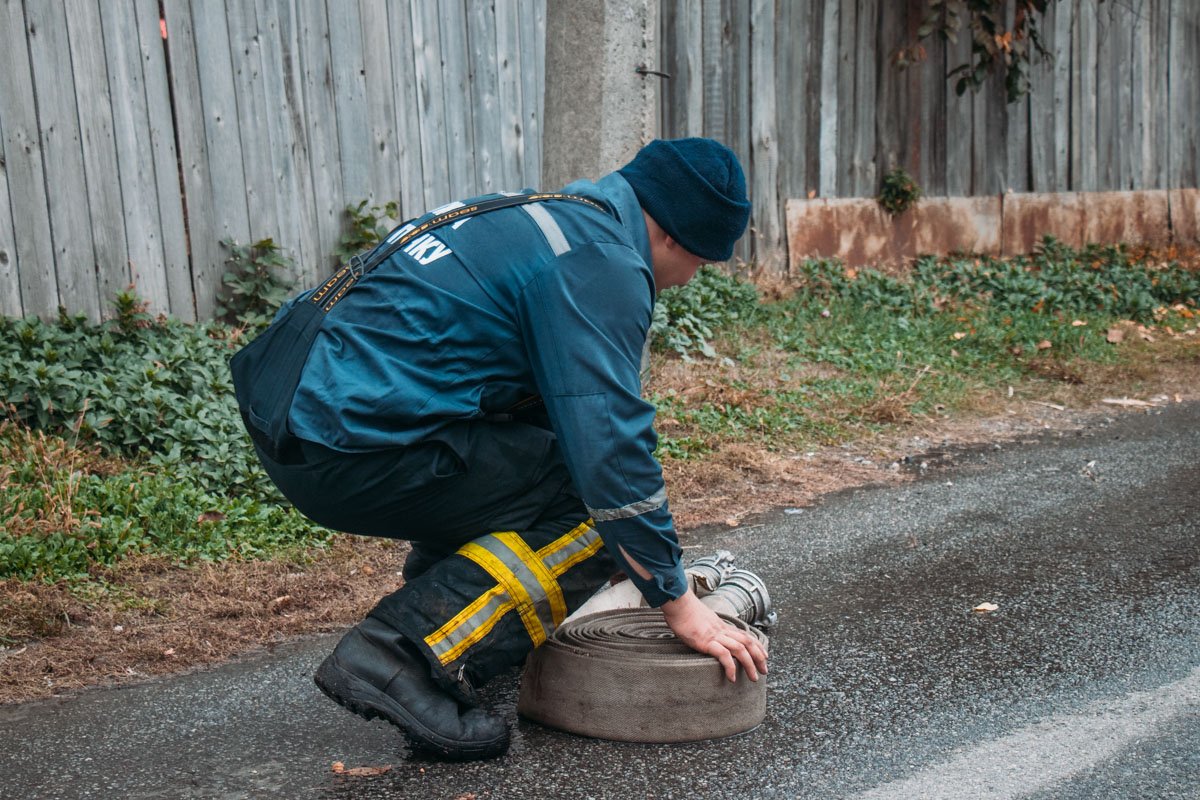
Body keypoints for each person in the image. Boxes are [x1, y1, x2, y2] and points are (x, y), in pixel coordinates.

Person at [233, 137, 770, 761]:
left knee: (540, 460)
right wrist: (678, 604)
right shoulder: (602, 263)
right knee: (593, 513)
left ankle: (446, 625)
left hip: (296, 411)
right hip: (342, 443)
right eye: (704, 261)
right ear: (677, 236)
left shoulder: (542, 214)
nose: (690, 279)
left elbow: (548, 409)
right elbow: (611, 456)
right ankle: (400, 655)